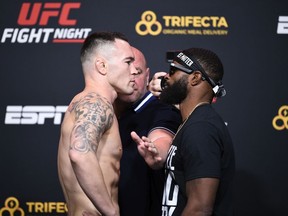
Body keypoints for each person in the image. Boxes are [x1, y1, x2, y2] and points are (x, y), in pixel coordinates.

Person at [132, 48, 235, 215]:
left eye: (173, 71)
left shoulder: (201, 129)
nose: (166, 76)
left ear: (194, 78)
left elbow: (199, 209)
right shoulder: (191, 123)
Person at [57, 31, 137, 216]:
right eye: (128, 62)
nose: (134, 70)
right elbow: (79, 153)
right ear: (102, 65)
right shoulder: (96, 104)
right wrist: (111, 212)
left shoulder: (84, 101)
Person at [114, 47, 181, 216]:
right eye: (126, 72)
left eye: (137, 72)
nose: (132, 79)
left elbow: (161, 136)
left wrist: (157, 151)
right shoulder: (106, 112)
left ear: (148, 75)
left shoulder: (162, 110)